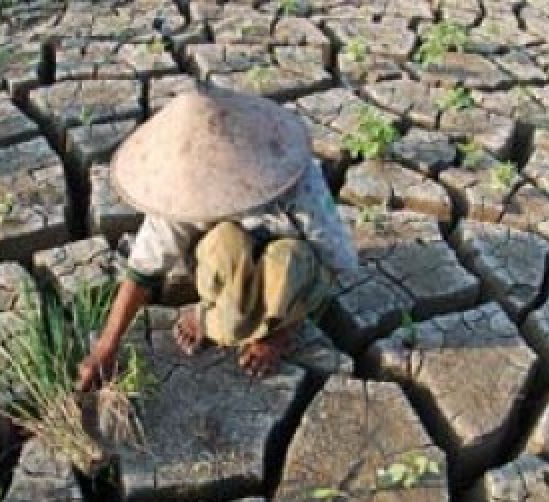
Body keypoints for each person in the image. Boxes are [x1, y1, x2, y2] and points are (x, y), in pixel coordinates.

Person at [76, 86, 359, 391]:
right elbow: (142, 272)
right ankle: (216, 316)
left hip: (288, 277)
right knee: (224, 244)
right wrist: (107, 345)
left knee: (287, 259)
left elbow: (335, 264)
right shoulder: (183, 194)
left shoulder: (297, 184)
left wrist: (280, 335)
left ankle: (233, 322)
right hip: (221, 271)